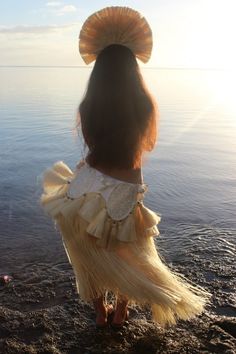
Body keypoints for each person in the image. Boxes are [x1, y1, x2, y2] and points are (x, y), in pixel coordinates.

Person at [40, 6, 210, 329]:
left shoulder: (89, 106)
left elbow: (92, 147)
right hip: (125, 188)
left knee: (86, 252)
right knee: (133, 252)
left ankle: (100, 310)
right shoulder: (145, 106)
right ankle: (121, 310)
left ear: (98, 72)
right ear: (134, 69)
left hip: (84, 189)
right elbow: (142, 151)